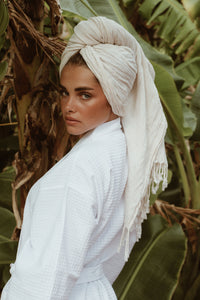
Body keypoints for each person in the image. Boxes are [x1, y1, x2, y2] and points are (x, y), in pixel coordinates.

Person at [1, 16, 168, 300]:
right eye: (64, 93)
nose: (68, 106)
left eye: (85, 95)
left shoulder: (80, 169)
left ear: (115, 96)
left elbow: (49, 276)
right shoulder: (122, 150)